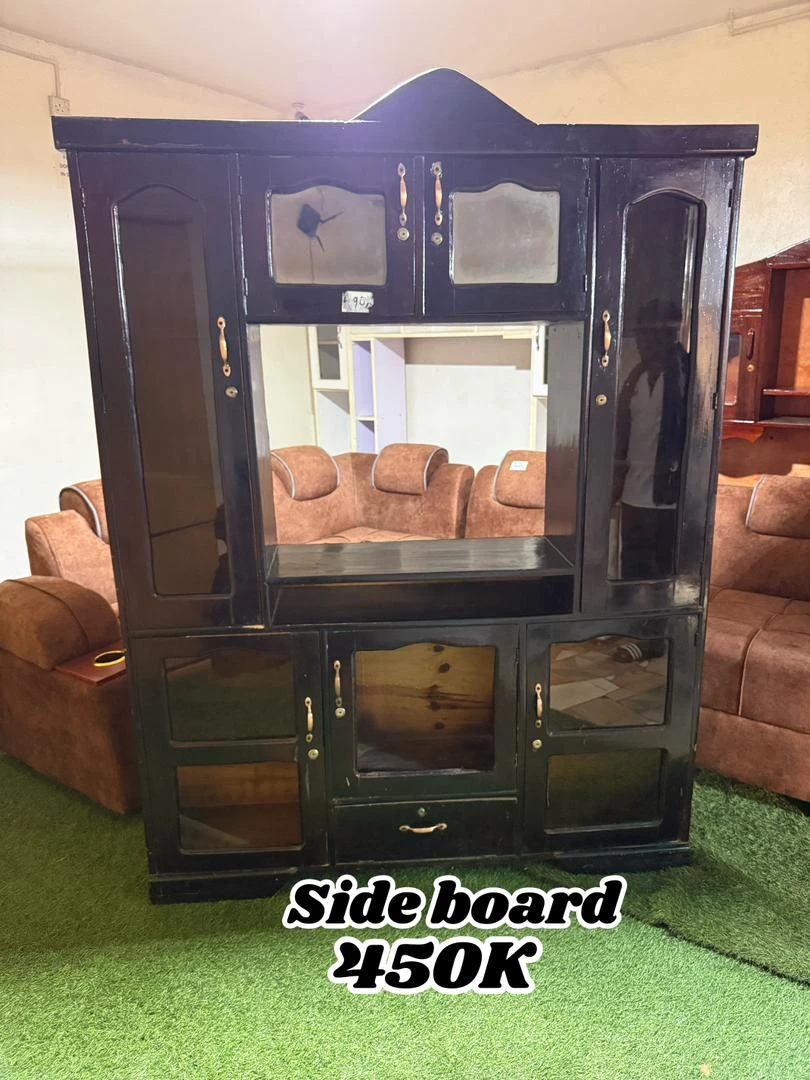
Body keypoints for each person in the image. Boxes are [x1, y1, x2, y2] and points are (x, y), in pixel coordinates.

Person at [613, 298, 691, 580]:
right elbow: (622, 434)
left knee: (662, 574)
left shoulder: (687, 375)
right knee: (630, 569)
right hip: (632, 494)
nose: (642, 341)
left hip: (668, 498)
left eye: (650, 333)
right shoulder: (636, 376)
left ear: (669, 334)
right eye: (640, 333)